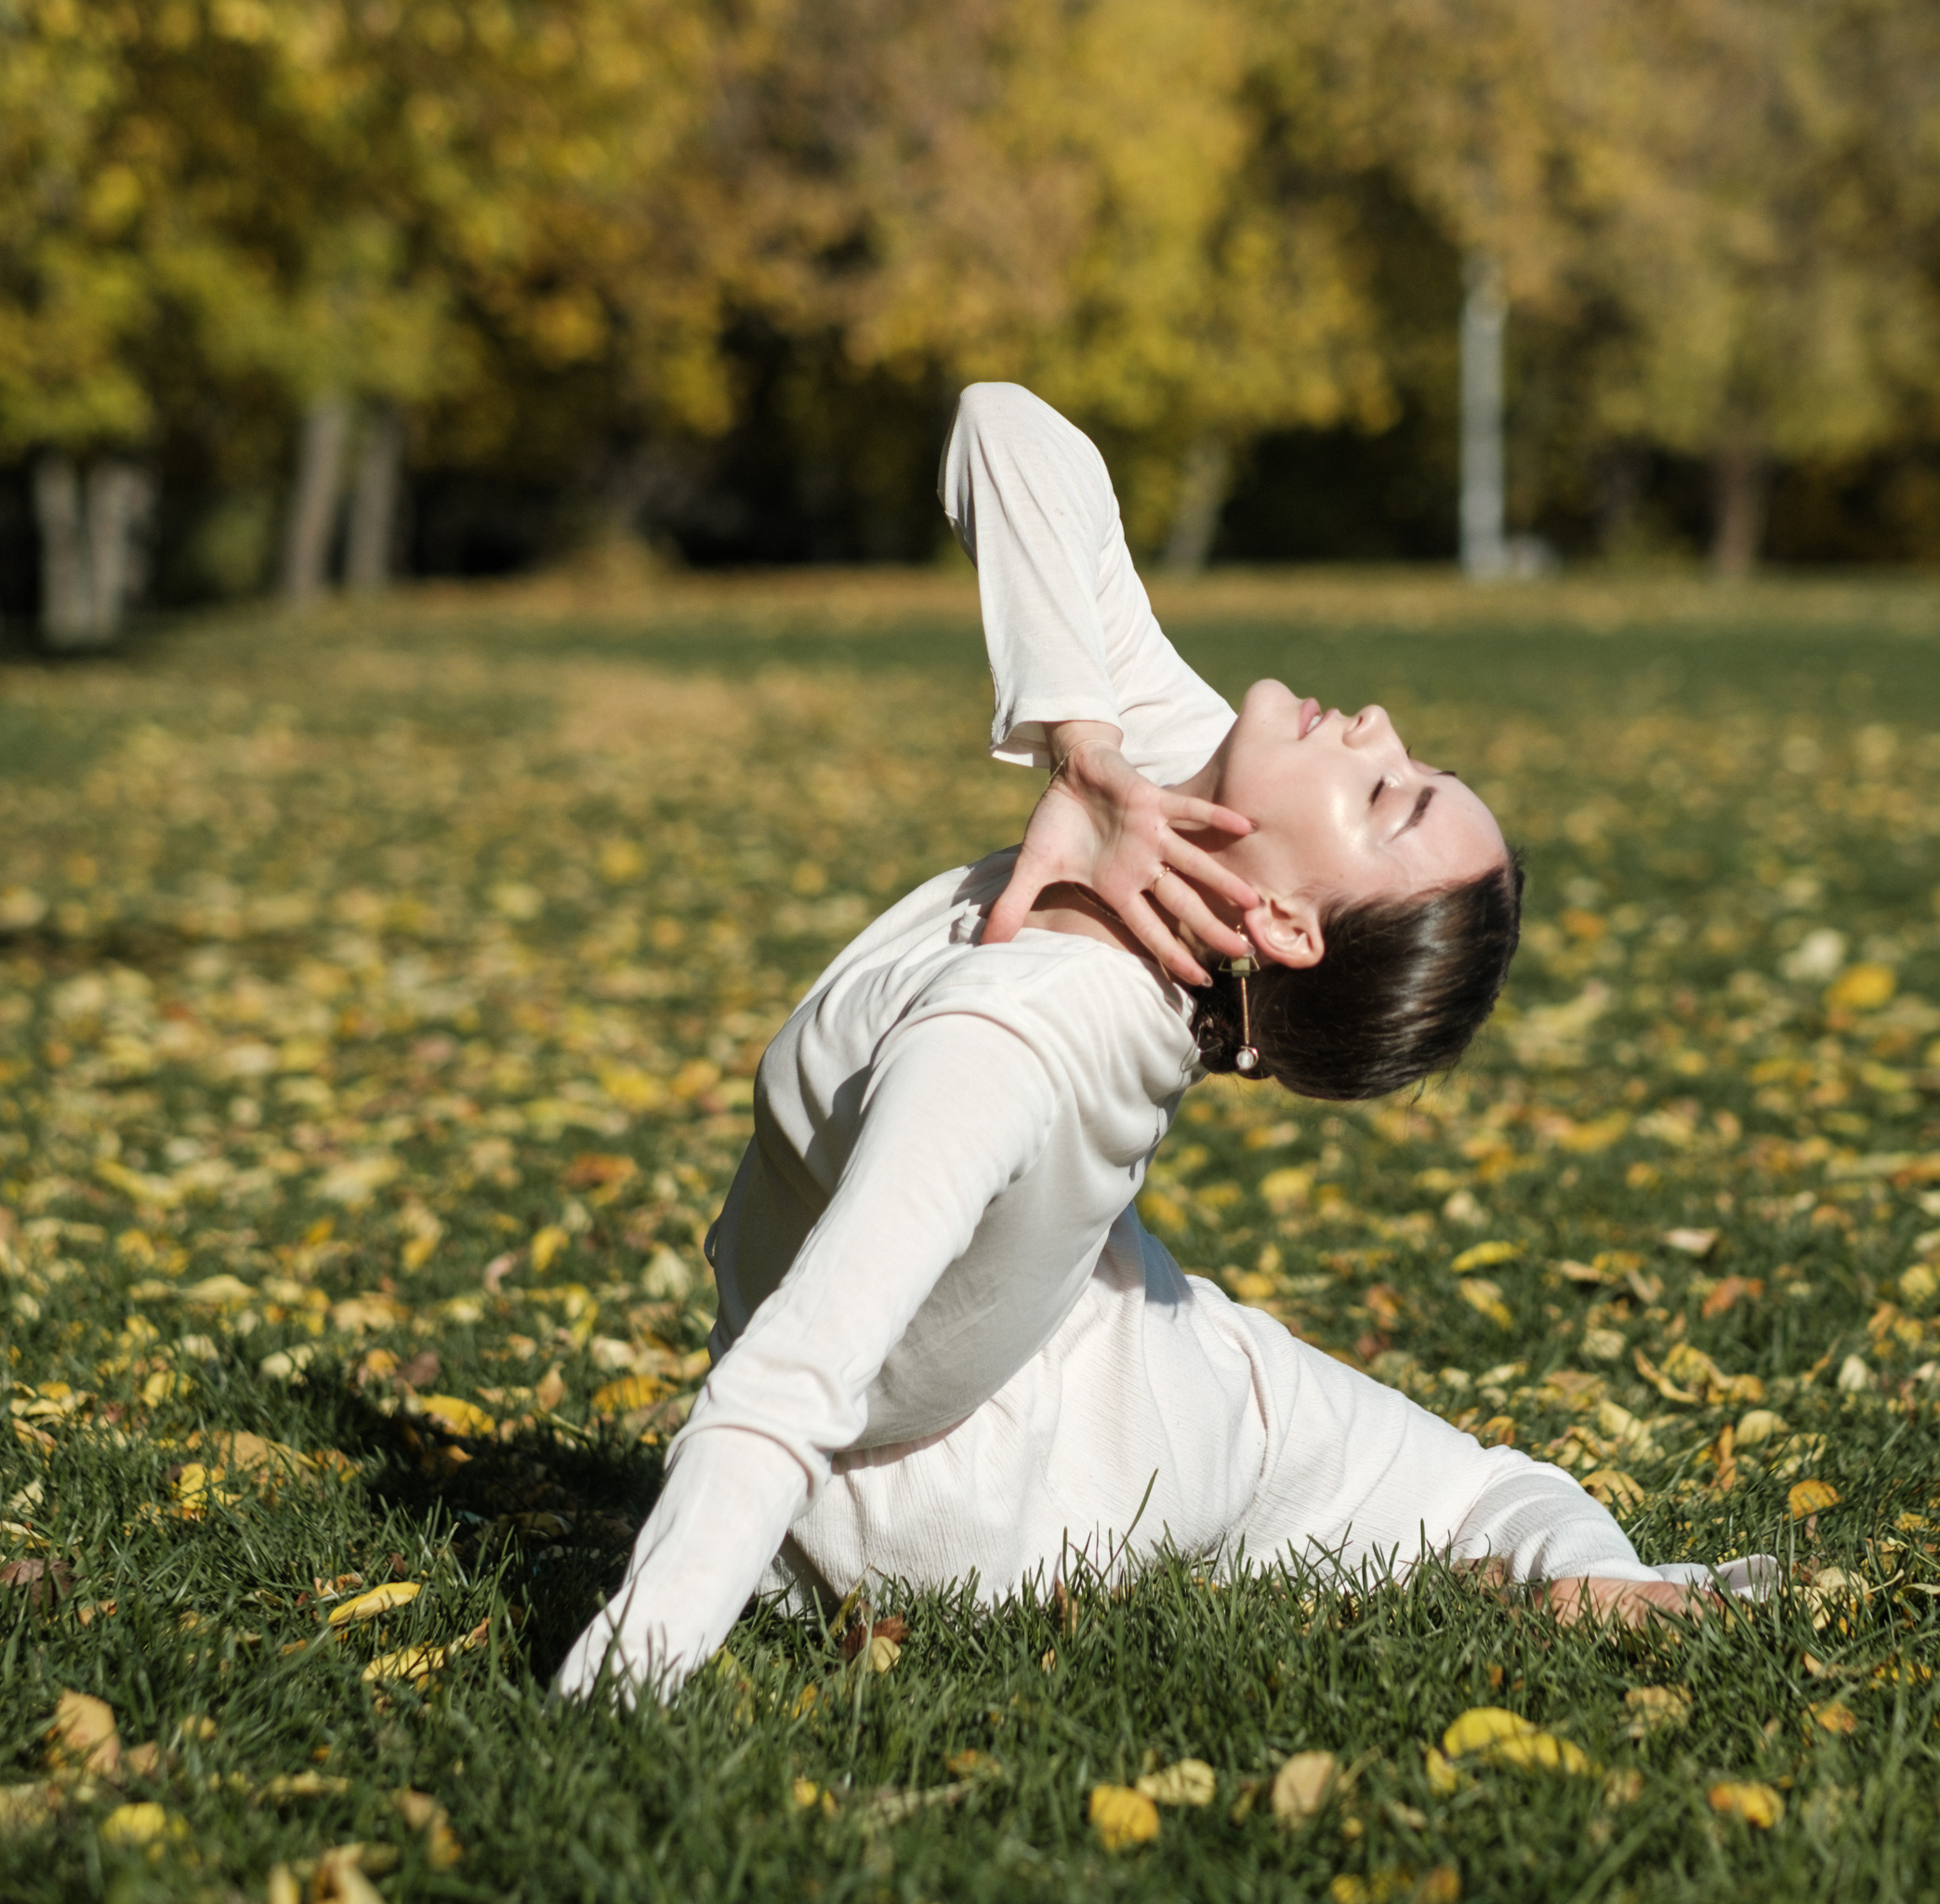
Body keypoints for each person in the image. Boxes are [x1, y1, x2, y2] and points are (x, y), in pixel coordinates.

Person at [555, 384, 1765, 1700]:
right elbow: (1008, 430)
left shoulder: (1024, 1036)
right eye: (1415, 764)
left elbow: (789, 1384)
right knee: (1473, 1495)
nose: (1378, 727)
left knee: (1487, 1495)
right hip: (1039, 1355)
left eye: (1385, 793)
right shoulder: (1176, 775)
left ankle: (1607, 1598)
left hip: (1015, 1458)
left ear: (1287, 923)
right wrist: (1081, 757)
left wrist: (620, 1688)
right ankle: (1555, 1585)